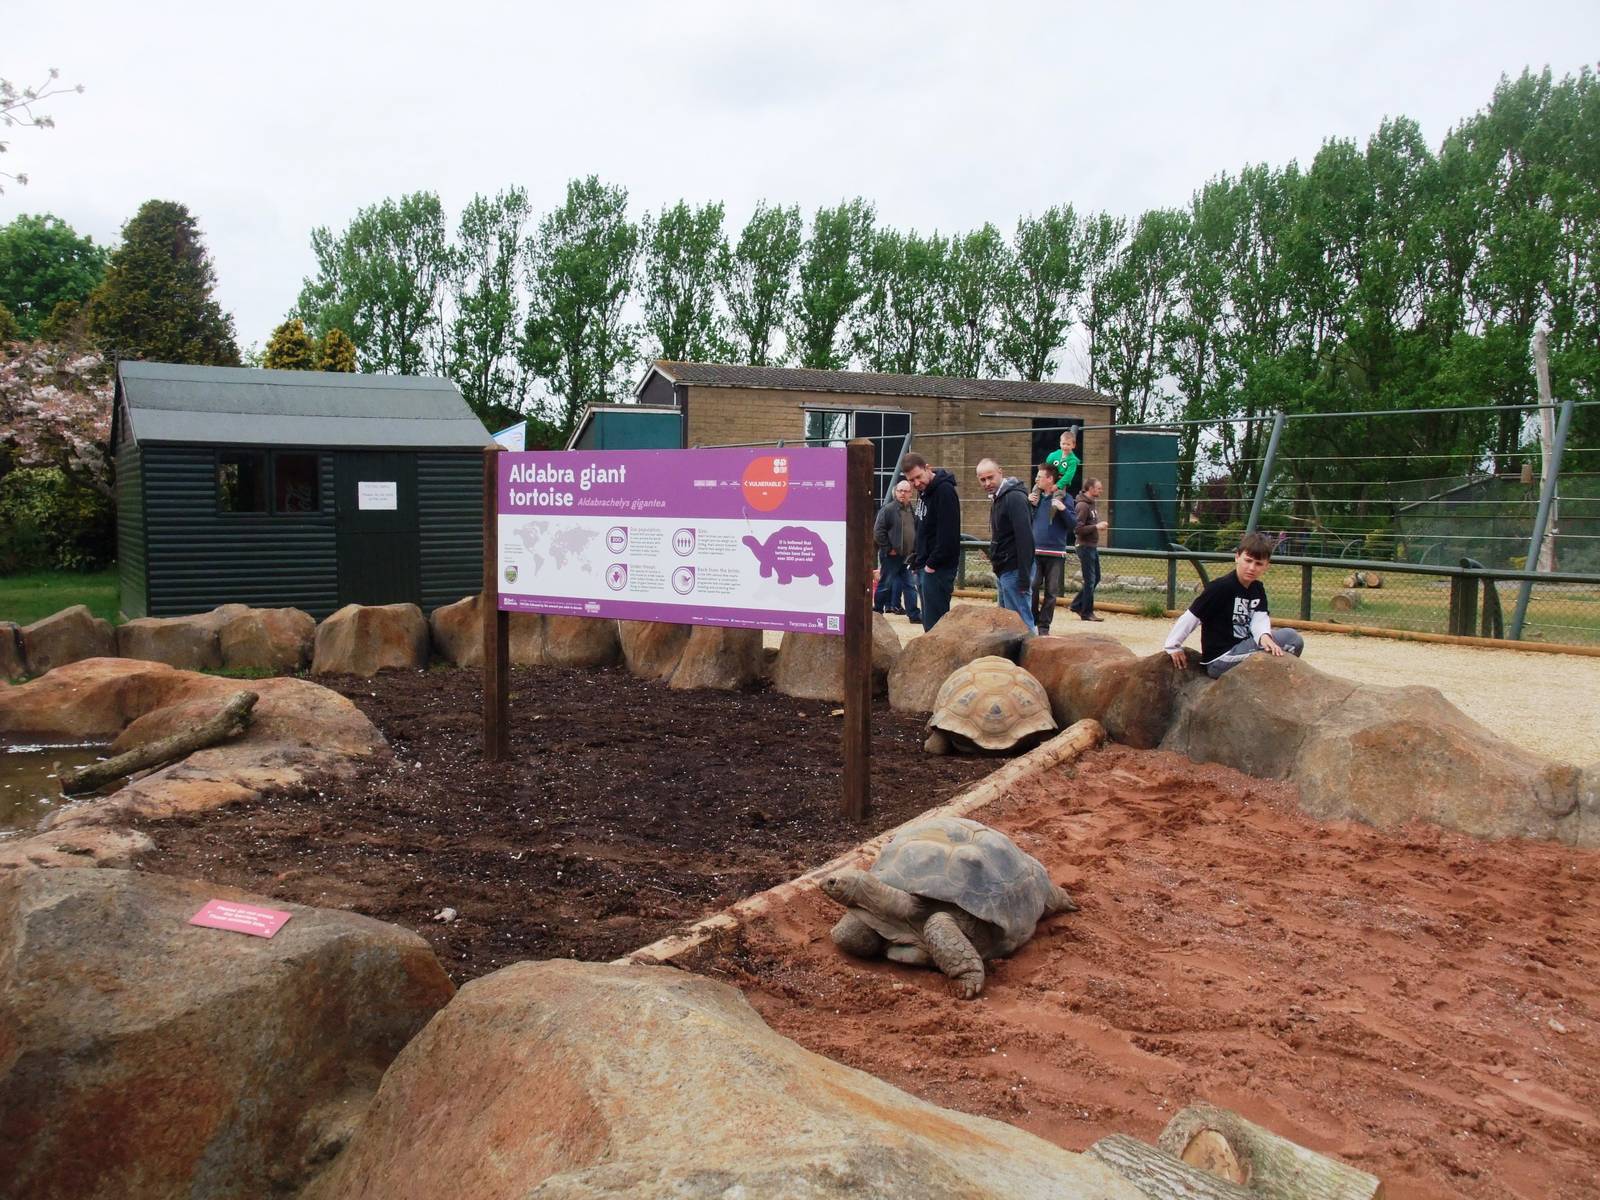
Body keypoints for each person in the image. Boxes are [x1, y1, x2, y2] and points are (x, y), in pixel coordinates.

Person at [1163, 531, 1306, 677]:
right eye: (1248, 560)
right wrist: (1173, 645)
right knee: (1285, 640)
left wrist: (1264, 636)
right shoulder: (1220, 587)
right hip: (1221, 658)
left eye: (1258, 564)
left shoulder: (1257, 589)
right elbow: (1192, 616)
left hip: (1244, 648)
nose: (1251, 568)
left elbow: (1260, 619)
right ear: (1237, 557)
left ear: (1266, 566)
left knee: (1293, 639)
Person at [900, 452, 960, 631]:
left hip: (937, 568)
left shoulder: (944, 491)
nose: (917, 483)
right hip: (924, 565)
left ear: (928, 468)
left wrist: (932, 564)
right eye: (912, 480)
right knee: (928, 622)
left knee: (936, 625)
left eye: (918, 477)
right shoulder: (924, 492)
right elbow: (923, 527)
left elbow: (948, 533)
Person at [976, 458, 1036, 634]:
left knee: (1021, 623)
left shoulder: (1014, 498)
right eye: (982, 479)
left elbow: (1025, 538)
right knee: (1007, 624)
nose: (987, 483)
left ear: (1000, 472)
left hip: (1015, 568)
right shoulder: (998, 498)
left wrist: (1024, 577)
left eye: (990, 477)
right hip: (1004, 568)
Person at [1027, 461, 1073, 634]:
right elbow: (1027, 522)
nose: (1036, 479)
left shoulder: (1065, 498)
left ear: (1050, 479)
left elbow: (1073, 524)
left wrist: (1063, 510)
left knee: (1051, 592)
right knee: (1032, 586)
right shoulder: (1035, 499)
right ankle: (1032, 620)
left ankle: (1044, 626)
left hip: (1056, 552)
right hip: (1035, 551)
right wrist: (1027, 504)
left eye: (1039, 477)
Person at [872, 480, 921, 622]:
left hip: (907, 556)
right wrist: (888, 548)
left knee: (910, 585)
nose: (902, 494)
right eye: (900, 491)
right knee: (885, 584)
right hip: (891, 556)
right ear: (895, 492)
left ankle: (913, 614)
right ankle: (878, 611)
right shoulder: (888, 510)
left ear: (911, 493)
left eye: (905, 491)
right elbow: (878, 531)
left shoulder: (913, 510)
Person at [1069, 477, 1107, 621]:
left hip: (1091, 546)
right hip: (1085, 546)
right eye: (1098, 488)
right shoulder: (1083, 506)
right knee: (1090, 579)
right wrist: (1096, 527)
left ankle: (1077, 604)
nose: (1100, 490)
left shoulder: (1091, 504)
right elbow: (1077, 529)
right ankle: (1087, 612)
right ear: (1090, 489)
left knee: (1095, 577)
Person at [1044, 427, 1082, 497]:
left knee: (1059, 494)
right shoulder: (1054, 454)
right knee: (1038, 486)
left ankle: (1055, 506)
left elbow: (1068, 476)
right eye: (1063, 444)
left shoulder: (1072, 460)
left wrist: (1058, 485)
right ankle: (1034, 500)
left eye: (1068, 444)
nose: (1065, 446)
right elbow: (1047, 464)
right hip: (1051, 476)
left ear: (1073, 445)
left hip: (1062, 479)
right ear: (1060, 443)